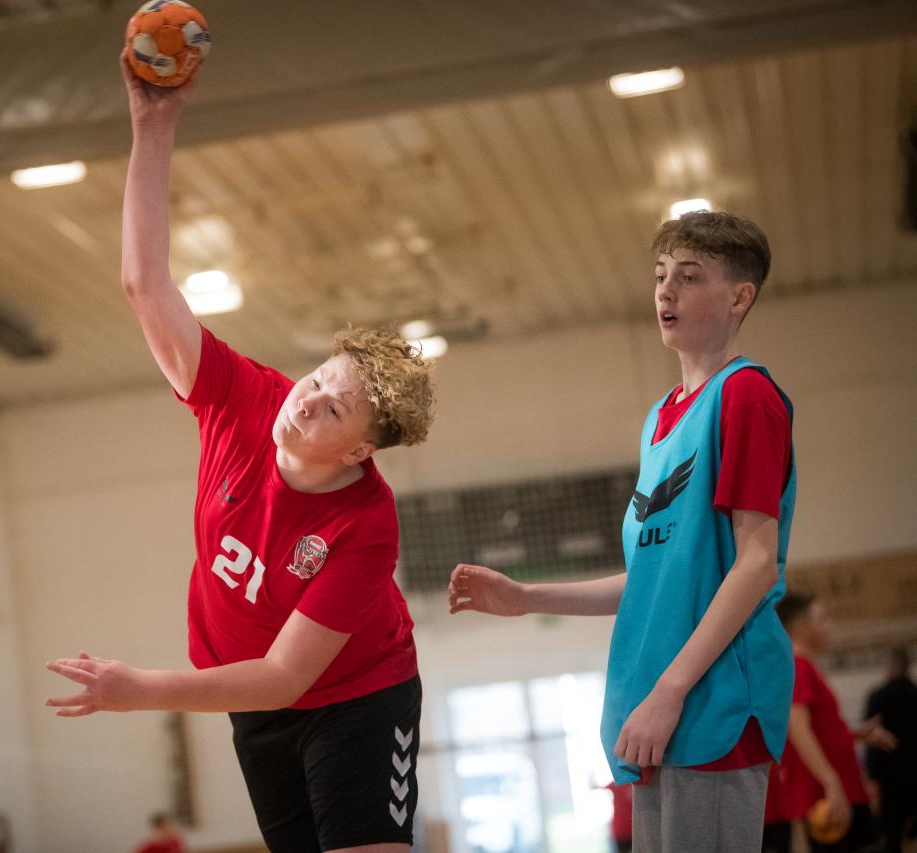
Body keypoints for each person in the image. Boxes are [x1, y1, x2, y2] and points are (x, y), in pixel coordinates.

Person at [43, 56, 436, 853]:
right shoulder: (243, 397)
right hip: (254, 706)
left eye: (333, 408)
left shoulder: (366, 523)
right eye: (316, 379)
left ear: (361, 449)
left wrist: (138, 689)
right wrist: (153, 124)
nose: (306, 400)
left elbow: (287, 672)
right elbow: (145, 284)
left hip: (356, 699)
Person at [450, 211, 797, 852]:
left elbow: (755, 563)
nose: (666, 290)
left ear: (739, 297)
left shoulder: (745, 395)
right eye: (661, 275)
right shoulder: (660, 418)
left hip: (710, 696)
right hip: (660, 701)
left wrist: (671, 691)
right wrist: (527, 598)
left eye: (689, 277)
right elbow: (650, 582)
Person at [776, 592, 892, 852]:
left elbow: (819, 729)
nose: (830, 625)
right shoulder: (797, 666)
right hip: (827, 793)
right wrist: (831, 782)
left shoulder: (804, 666)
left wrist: (857, 735)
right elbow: (797, 729)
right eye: (823, 618)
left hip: (840, 787)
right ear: (801, 626)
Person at [864, 647, 917, 853]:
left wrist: (871, 774)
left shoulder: (877, 696)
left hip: (888, 774)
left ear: (889, 667)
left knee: (891, 829)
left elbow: (871, 738)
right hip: (914, 770)